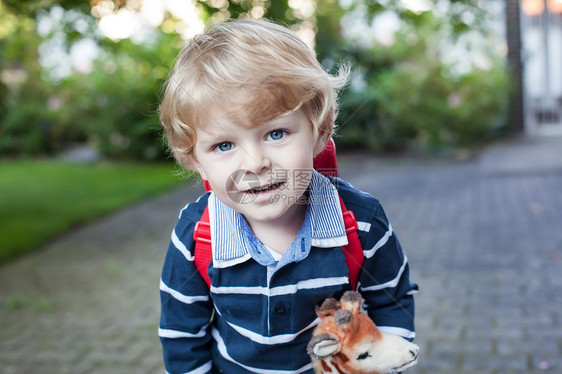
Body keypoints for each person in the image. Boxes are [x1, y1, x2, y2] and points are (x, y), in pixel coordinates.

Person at [158, 18, 417, 374]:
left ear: (319, 131)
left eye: (276, 133)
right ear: (195, 161)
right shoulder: (196, 236)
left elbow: (393, 299)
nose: (256, 163)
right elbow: (182, 335)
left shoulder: (363, 223)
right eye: (224, 144)